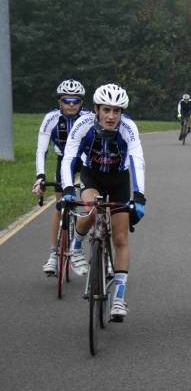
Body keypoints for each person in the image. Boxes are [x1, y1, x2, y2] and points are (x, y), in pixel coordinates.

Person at [61, 83, 146, 322]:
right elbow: (69, 157)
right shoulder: (83, 124)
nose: (111, 116)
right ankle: (76, 246)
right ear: (96, 109)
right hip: (92, 176)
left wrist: (139, 197)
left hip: (119, 179)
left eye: (116, 111)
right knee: (90, 210)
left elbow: (137, 160)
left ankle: (118, 298)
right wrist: (68, 189)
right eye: (106, 110)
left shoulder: (128, 128)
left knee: (120, 238)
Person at [32, 79, 89, 276]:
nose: (71, 104)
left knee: (91, 204)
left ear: (81, 102)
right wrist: (40, 176)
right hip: (62, 160)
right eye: (67, 100)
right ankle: (53, 255)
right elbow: (41, 151)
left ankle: (95, 242)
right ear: (59, 101)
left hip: (84, 162)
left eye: (75, 100)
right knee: (59, 206)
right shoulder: (51, 119)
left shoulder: (90, 118)